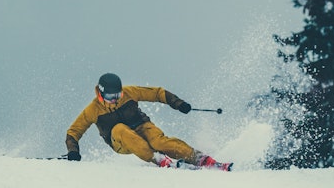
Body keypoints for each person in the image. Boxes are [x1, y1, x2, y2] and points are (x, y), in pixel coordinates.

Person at [65, 73, 232, 171]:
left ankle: (200, 159)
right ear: (100, 94)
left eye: (118, 95)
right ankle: (159, 160)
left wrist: (178, 103)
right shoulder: (92, 110)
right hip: (121, 141)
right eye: (110, 97)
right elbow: (73, 132)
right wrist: (73, 151)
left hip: (141, 126)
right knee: (119, 129)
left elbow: (157, 93)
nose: (115, 100)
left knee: (159, 141)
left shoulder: (130, 92)